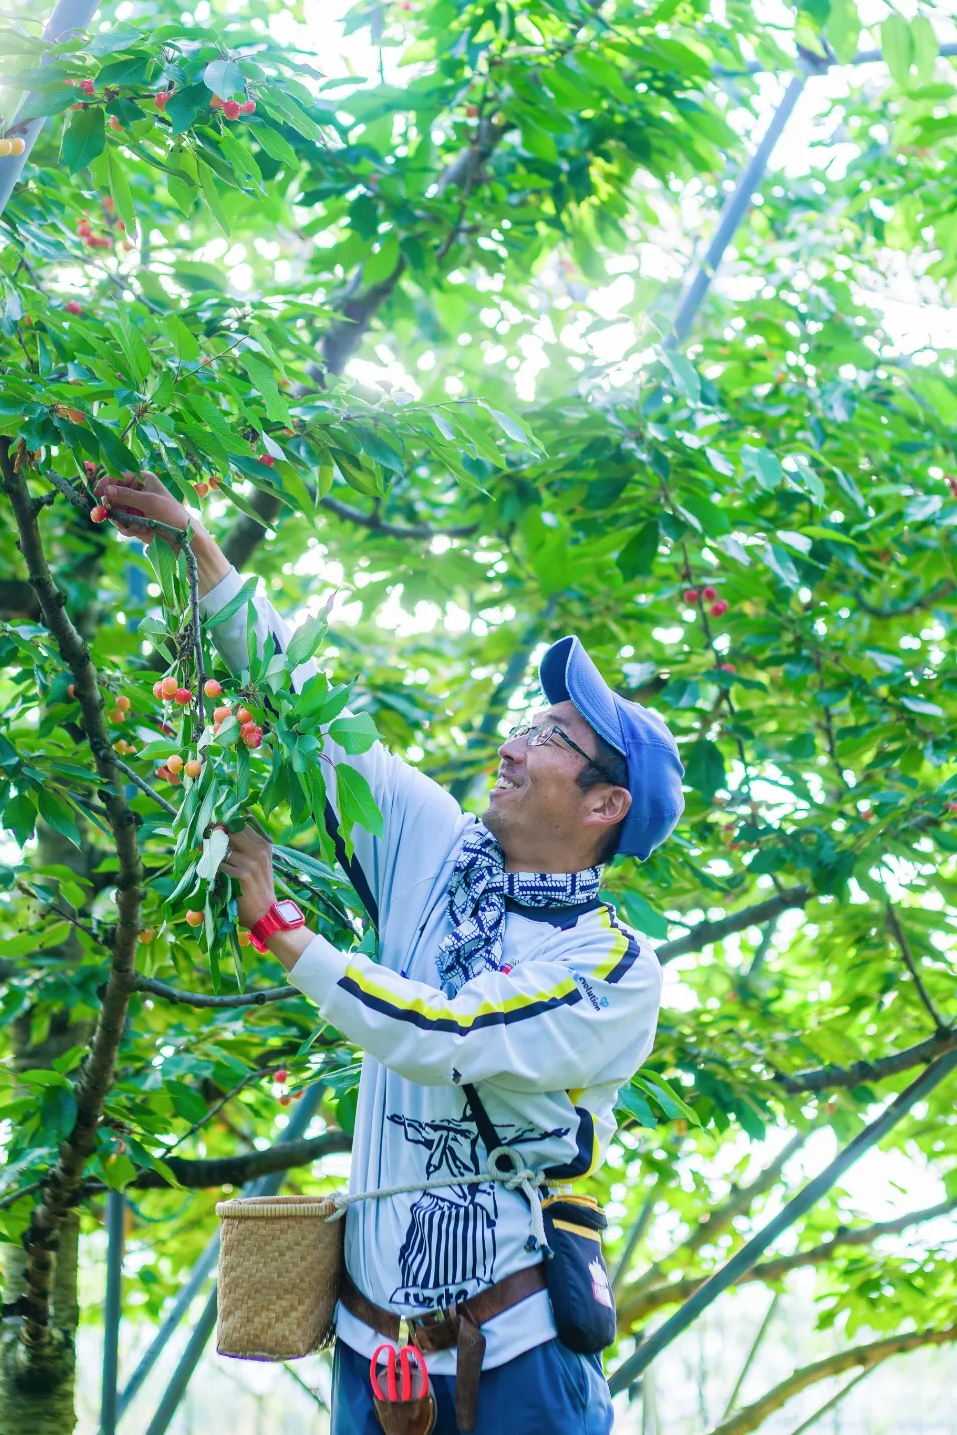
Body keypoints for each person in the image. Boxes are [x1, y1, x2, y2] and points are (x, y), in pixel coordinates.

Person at [93, 472, 684, 1435]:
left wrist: (284, 932)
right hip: (373, 1353)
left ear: (605, 805)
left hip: (520, 1353)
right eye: (524, 726)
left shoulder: (612, 969)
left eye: (547, 737)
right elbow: (311, 714)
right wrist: (193, 544)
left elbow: (446, 1037)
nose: (513, 746)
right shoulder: (435, 847)